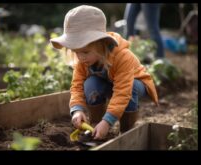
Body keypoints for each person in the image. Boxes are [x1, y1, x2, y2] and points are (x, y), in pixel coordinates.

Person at [50, 5, 158, 140]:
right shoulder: (82, 62)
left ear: (101, 44)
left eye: (85, 52)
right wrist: (77, 110)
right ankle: (96, 124)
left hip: (134, 83)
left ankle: (126, 131)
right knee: (90, 84)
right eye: (76, 52)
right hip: (109, 83)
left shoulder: (123, 56)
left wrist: (108, 121)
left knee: (131, 88)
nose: (80, 57)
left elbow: (122, 92)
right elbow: (76, 86)